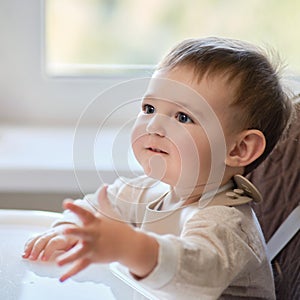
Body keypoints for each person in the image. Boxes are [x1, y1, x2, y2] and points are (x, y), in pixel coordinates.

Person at [22, 37, 293, 299]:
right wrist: (67, 232)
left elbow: (190, 271)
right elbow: (96, 210)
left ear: (239, 149)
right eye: (149, 108)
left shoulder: (225, 223)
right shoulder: (148, 191)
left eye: (183, 117)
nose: (153, 126)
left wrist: (129, 246)